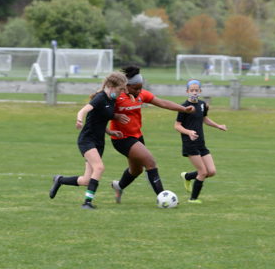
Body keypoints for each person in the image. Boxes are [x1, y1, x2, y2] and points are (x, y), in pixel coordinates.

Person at [109, 65, 194, 203]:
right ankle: (163, 198)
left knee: (136, 170)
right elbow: (101, 112)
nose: (139, 91)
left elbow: (163, 103)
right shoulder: (116, 96)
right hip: (121, 138)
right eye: (135, 88)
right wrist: (115, 116)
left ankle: (119, 186)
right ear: (126, 86)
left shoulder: (141, 94)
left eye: (140, 88)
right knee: (150, 163)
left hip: (137, 136)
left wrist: (183, 109)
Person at [49, 71, 128, 209]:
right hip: (87, 140)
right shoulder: (100, 98)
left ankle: (59, 180)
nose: (123, 92)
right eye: (121, 89)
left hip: (99, 142)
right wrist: (79, 120)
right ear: (111, 86)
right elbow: (83, 110)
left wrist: (110, 132)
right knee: (99, 167)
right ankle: (87, 203)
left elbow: (99, 120)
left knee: (86, 180)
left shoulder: (111, 99)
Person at [174, 78, 227, 204]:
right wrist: (189, 132)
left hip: (201, 143)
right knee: (203, 172)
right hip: (190, 143)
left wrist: (218, 126)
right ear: (187, 91)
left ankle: (187, 176)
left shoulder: (203, 104)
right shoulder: (184, 107)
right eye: (191, 90)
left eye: (196, 90)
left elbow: (204, 119)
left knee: (211, 172)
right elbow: (177, 125)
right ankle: (193, 199)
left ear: (200, 91)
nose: (194, 92)